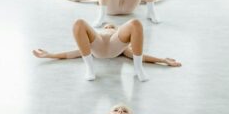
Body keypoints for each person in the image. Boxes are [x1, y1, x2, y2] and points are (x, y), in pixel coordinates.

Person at [34, 19, 166, 82]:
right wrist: (50, 55)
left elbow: (136, 54)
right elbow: (73, 53)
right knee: (78, 23)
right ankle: (90, 69)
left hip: (115, 46)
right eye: (106, 25)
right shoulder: (95, 36)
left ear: (117, 28)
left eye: (112, 25)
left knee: (136, 23)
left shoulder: (123, 45)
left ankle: (139, 69)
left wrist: (162, 60)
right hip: (98, 46)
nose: (108, 25)